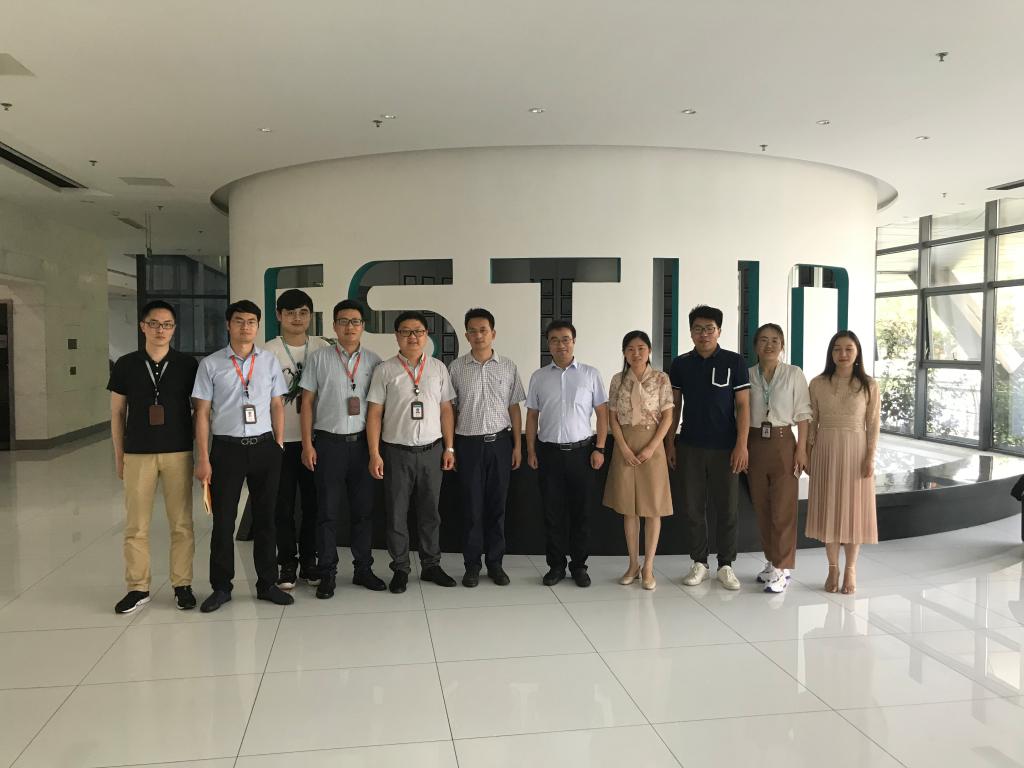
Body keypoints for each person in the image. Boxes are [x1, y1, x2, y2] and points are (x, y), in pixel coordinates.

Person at [192, 299, 293, 613]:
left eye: (251, 321)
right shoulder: (211, 364)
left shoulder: (269, 361)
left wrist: (278, 443)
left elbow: (277, 404)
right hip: (227, 449)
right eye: (239, 321)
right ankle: (221, 587)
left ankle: (267, 584)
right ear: (228, 325)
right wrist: (203, 458)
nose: (245, 326)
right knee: (223, 522)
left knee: (266, 519)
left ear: (258, 326)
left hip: (264, 448)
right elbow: (202, 413)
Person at [108, 300, 199, 614]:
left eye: (167, 325)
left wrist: (199, 451)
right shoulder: (126, 364)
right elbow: (117, 413)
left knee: (182, 524)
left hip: (178, 452)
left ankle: (182, 585)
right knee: (136, 525)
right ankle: (138, 587)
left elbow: (200, 411)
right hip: (138, 453)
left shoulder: (187, 365)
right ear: (142, 326)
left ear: (174, 329)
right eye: (155, 324)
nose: (161, 330)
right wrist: (119, 455)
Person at [366, 310, 458, 594]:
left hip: (432, 451)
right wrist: (374, 453)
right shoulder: (385, 370)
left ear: (426, 335)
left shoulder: (438, 368)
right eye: (405, 331)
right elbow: (374, 414)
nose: (412, 336)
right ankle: (401, 568)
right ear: (397, 336)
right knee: (396, 515)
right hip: (396, 453)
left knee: (431, 513)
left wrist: (449, 447)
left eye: (418, 331)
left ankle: (431, 565)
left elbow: (446, 410)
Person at [300, 299, 385, 598]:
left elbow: (378, 409)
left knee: (363, 512)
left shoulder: (375, 361)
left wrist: (375, 451)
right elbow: (306, 403)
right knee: (327, 513)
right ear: (334, 326)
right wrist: (307, 444)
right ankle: (327, 573)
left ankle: (363, 569)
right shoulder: (319, 359)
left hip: (362, 446)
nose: (350, 327)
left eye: (356, 321)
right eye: (344, 321)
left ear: (363, 326)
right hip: (328, 445)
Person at [667, 305, 751, 591]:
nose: (703, 334)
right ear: (691, 332)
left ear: (719, 331)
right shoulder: (680, 364)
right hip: (690, 445)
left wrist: (742, 444)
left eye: (709, 329)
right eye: (698, 329)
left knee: (727, 508)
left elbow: (743, 405)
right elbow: (675, 406)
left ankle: (726, 565)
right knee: (693, 507)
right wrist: (670, 442)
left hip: (726, 447)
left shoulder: (735, 362)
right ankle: (699, 562)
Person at [526, 320, 608, 587]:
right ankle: (556, 566)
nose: (560, 345)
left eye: (565, 339)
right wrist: (530, 449)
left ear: (573, 341)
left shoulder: (590, 374)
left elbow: (602, 414)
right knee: (552, 513)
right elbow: (532, 416)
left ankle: (579, 566)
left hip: (581, 454)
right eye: (554, 340)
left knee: (581, 513)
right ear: (548, 344)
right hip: (548, 453)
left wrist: (600, 448)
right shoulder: (539, 377)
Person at [448, 308, 526, 587]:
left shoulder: (508, 366)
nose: (478, 335)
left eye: (483, 330)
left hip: (500, 444)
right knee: (471, 508)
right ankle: (471, 566)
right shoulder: (455, 368)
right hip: (468, 445)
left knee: (497, 507)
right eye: (472, 330)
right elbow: (450, 411)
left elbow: (514, 407)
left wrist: (517, 446)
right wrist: (451, 448)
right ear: (466, 335)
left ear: (493, 333)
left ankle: (495, 564)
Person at [262, 289, 329, 589]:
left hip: (316, 439)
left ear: (310, 316)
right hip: (280, 440)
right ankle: (287, 562)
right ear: (279, 315)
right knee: (283, 505)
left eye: (303, 312)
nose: (297, 318)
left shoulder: (323, 347)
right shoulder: (268, 351)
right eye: (290, 313)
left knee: (314, 504)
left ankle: (310, 561)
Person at [805, 330, 880, 595]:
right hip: (825, 449)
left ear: (857, 353)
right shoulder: (817, 383)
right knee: (830, 509)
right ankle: (832, 567)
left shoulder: (869, 385)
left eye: (849, 349)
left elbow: (873, 424)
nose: (843, 354)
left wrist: (870, 456)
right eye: (837, 349)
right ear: (831, 353)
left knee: (853, 512)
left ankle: (851, 569)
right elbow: (811, 422)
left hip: (856, 451)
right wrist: (807, 452)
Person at [604, 331, 674, 591]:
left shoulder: (661, 378)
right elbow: (612, 417)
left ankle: (649, 567)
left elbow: (668, 417)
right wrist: (623, 447)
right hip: (625, 444)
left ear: (649, 351)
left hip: (652, 445)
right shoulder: (618, 379)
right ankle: (633, 564)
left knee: (652, 508)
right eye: (630, 349)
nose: (636, 353)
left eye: (641, 348)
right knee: (629, 509)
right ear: (624, 353)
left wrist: (652, 448)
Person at [746, 323, 811, 594]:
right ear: (755, 346)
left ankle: (783, 568)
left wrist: (801, 449)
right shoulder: (748, 374)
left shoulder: (794, 374)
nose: (769, 345)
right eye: (763, 340)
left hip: (784, 442)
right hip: (753, 442)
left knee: (784, 508)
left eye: (775, 340)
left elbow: (804, 414)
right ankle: (772, 561)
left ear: (782, 345)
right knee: (762, 507)